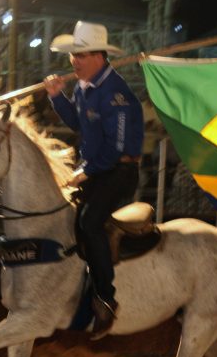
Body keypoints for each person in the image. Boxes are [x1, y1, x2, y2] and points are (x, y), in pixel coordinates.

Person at [43, 21, 144, 339]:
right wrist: (57, 97)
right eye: (73, 55)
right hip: (97, 168)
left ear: (100, 56)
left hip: (118, 172)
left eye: (81, 55)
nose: (74, 61)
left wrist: (85, 172)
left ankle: (105, 297)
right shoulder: (83, 87)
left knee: (89, 222)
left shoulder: (116, 94)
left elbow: (116, 148)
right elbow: (78, 123)